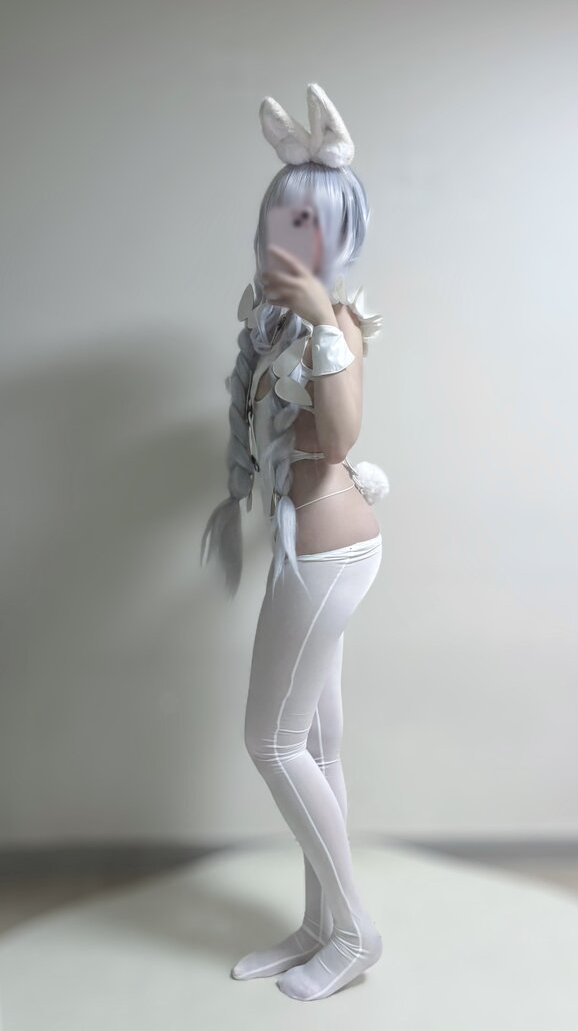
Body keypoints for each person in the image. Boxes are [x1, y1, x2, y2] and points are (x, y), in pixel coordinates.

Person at [200, 82, 389, 1001]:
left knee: (271, 743)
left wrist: (319, 316)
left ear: (338, 232)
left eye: (308, 220)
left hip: (328, 551)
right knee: (316, 741)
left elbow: (342, 437)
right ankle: (320, 924)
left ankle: (353, 932)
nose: (289, 232)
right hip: (306, 544)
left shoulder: (333, 321)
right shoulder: (275, 320)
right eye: (282, 215)